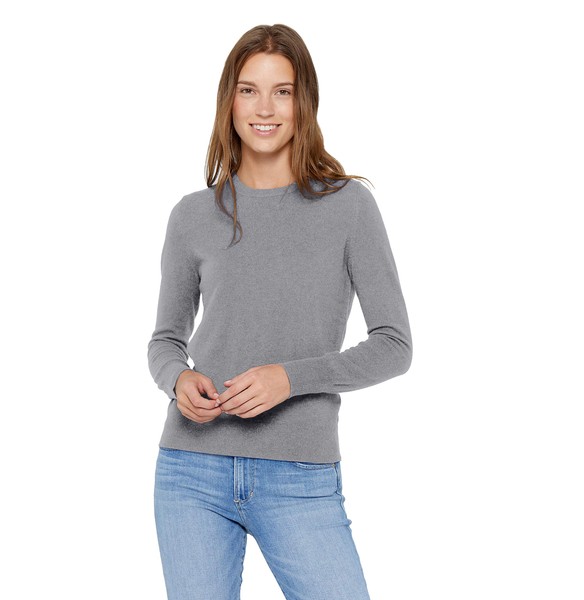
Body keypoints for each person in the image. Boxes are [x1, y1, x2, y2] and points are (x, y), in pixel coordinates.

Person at [147, 23, 412, 600]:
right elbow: (165, 340)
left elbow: (394, 345)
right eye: (249, 90)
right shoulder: (192, 215)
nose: (264, 108)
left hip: (299, 475)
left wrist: (290, 378)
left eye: (282, 91)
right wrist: (178, 379)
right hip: (191, 470)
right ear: (230, 100)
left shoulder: (348, 206)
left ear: (303, 101)